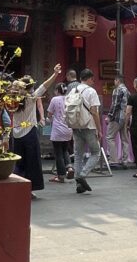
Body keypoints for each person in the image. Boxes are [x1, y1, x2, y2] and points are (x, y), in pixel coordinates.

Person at [10, 64, 61, 196]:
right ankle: (29, 189)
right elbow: (45, 86)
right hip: (29, 133)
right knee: (32, 162)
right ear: (30, 87)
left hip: (16, 134)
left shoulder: (12, 100)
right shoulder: (31, 98)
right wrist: (55, 74)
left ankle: (17, 187)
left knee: (18, 162)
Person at [68, 68, 102, 194]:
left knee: (78, 155)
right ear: (88, 79)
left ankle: (79, 185)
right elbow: (94, 111)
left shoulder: (73, 90)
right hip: (89, 126)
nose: (93, 81)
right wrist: (99, 129)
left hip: (76, 126)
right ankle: (82, 175)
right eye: (92, 79)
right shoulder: (91, 91)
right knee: (96, 152)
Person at [46, 83, 73, 183]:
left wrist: (49, 118)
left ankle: (61, 176)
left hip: (58, 130)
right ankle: (69, 168)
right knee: (65, 150)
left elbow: (49, 114)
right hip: (68, 129)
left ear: (57, 90)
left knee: (58, 153)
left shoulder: (55, 99)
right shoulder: (69, 99)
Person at [103, 75, 131, 166]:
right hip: (125, 117)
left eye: (114, 81)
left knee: (110, 137)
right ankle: (125, 160)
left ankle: (113, 160)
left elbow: (115, 105)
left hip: (117, 117)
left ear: (117, 80)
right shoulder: (128, 91)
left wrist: (110, 116)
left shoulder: (117, 90)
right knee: (125, 139)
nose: (114, 83)